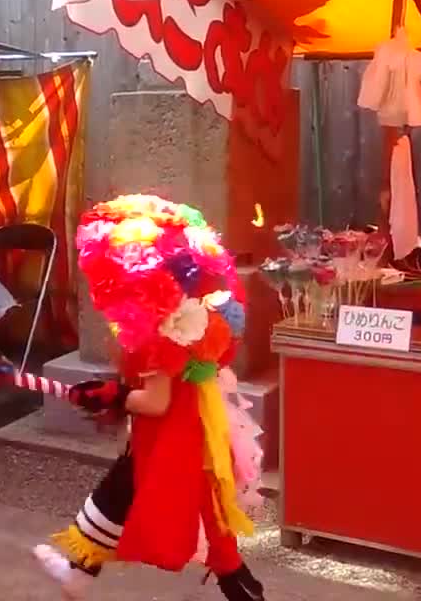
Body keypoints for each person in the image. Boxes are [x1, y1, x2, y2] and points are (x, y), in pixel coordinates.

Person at [32, 196, 265, 601]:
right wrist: (114, 394)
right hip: (188, 426)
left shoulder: (163, 327)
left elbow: (155, 402)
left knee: (204, 525)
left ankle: (78, 575)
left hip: (173, 435)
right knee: (136, 498)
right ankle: (78, 574)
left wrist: (114, 395)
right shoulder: (184, 310)